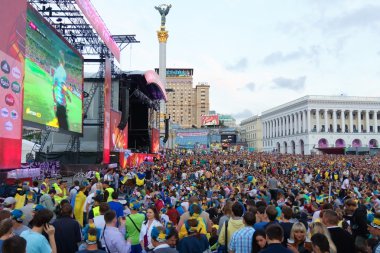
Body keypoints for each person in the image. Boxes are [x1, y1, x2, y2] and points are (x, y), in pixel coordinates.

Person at [53, 50, 71, 130]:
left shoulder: (56, 71)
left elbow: (53, 87)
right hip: (61, 106)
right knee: (64, 128)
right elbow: (63, 87)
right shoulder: (63, 72)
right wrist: (68, 96)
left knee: (60, 126)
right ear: (63, 62)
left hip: (57, 103)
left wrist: (54, 100)